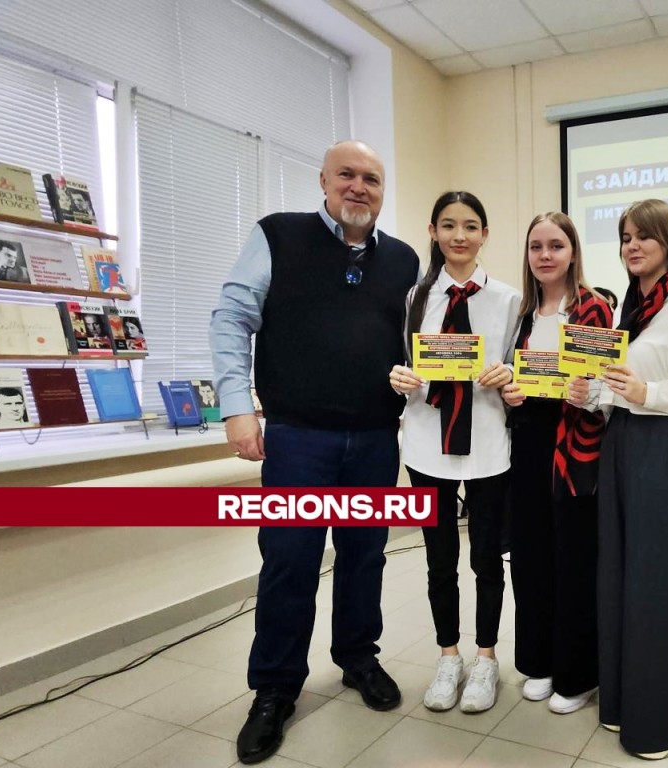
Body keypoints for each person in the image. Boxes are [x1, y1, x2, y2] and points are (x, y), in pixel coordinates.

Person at [210, 140, 420, 765]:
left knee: (365, 558)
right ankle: (274, 689)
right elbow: (231, 318)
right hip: (298, 439)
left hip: (376, 440)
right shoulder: (278, 235)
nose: (359, 187)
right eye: (348, 176)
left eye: (372, 179)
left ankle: (357, 658)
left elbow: (422, 346)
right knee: (289, 563)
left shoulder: (404, 260)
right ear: (324, 181)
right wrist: (236, 406)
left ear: (384, 191)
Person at [568, 199, 668, 759]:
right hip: (622, 446)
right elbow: (619, 387)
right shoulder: (630, 308)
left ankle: (664, 718)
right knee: (620, 574)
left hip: (665, 448)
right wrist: (591, 396)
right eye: (624, 237)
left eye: (643, 236)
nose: (632, 246)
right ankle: (621, 702)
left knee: (658, 583)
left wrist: (649, 395)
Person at [389, 191, 520, 714]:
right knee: (439, 561)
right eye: (449, 225)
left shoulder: (510, 300)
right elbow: (400, 361)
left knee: (488, 560)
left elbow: (522, 368)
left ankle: (485, 658)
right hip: (426, 445)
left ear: (485, 235)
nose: (459, 235)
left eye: (470, 226)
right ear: (434, 231)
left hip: (489, 445)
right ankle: (449, 655)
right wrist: (398, 377)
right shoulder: (414, 298)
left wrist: (511, 375)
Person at [501, 212, 611, 714]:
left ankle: (578, 673)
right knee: (530, 560)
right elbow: (511, 378)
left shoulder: (594, 308)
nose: (545, 255)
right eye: (536, 247)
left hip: (574, 450)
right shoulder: (523, 312)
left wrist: (590, 392)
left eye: (556, 246)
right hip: (526, 444)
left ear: (573, 252)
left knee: (573, 561)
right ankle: (540, 662)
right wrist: (511, 393)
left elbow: (609, 389)